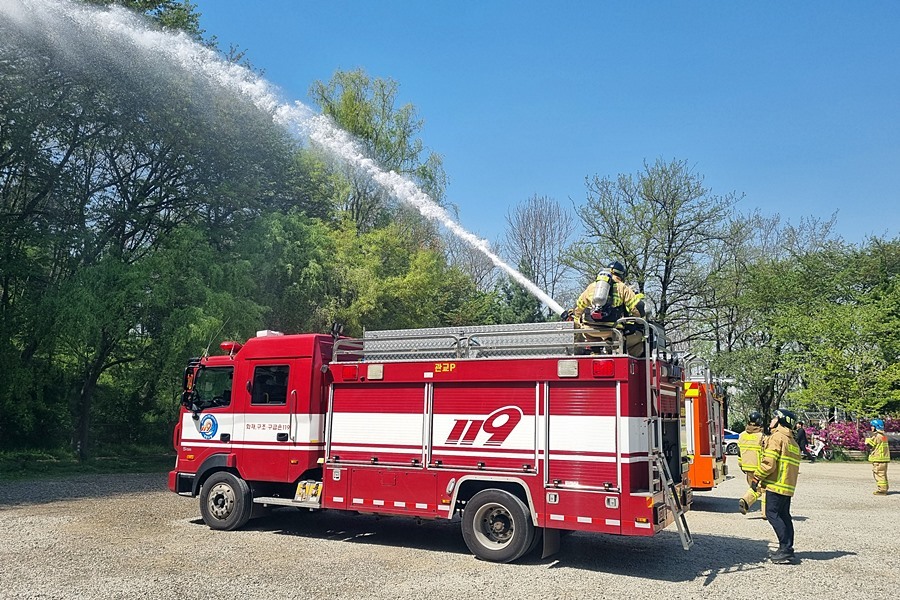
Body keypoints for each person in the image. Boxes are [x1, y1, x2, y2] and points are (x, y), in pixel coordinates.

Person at [752, 408, 801, 564]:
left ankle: (784, 549)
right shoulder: (792, 440)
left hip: (776, 485)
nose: (771, 420)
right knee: (785, 516)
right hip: (787, 486)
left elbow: (769, 463)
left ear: (781, 420)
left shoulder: (777, 437)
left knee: (772, 514)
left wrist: (757, 476)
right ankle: (788, 548)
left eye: (774, 418)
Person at [573, 260, 646, 356]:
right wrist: (639, 321)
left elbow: (578, 308)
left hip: (590, 332)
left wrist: (577, 325)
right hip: (613, 332)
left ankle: (596, 353)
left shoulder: (591, 287)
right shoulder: (622, 287)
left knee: (590, 336)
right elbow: (636, 307)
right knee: (638, 339)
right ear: (621, 275)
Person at [737, 411, 766, 514]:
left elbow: (739, 452)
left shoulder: (741, 435)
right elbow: (764, 453)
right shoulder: (761, 436)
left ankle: (746, 502)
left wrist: (741, 464)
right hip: (758, 468)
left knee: (753, 488)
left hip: (746, 467)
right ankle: (765, 513)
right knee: (763, 490)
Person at [865, 419, 890, 495]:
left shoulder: (876, 436)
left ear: (876, 427)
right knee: (883, 474)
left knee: (879, 474)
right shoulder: (884, 436)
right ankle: (884, 488)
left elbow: (869, 445)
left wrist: (867, 439)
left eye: (872, 426)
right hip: (884, 459)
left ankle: (882, 490)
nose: (871, 428)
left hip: (878, 458)